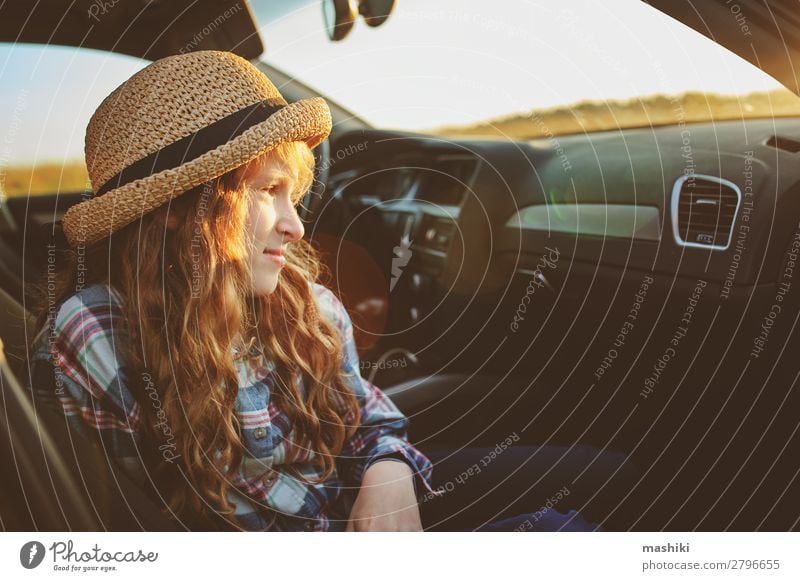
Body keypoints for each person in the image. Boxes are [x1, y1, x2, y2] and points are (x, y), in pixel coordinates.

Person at [27, 50, 617, 532]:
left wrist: (387, 469)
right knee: (561, 531)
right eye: (267, 191)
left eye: (294, 193)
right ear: (179, 210)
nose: (296, 224)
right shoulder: (97, 336)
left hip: (344, 506)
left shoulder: (305, 303)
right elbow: (134, 525)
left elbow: (366, 415)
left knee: (608, 473)